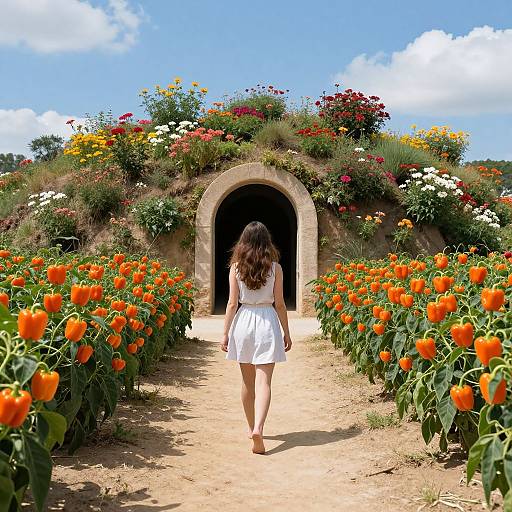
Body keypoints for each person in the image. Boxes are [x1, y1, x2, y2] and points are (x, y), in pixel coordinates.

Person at [221, 221, 292, 455]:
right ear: (266, 242)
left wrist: (225, 333)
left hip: (243, 321)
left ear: (243, 242)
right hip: (267, 321)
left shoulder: (235, 268)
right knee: (264, 382)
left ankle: (251, 427)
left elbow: (232, 303)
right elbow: (280, 304)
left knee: (247, 383)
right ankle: (259, 428)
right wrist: (286, 332)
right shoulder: (276, 268)